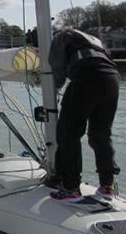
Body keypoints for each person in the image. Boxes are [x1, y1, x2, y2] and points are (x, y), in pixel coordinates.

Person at [48, 28, 120, 202]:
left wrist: (55, 86)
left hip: (87, 75)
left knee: (68, 132)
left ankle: (70, 187)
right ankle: (107, 185)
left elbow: (56, 66)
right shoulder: (93, 39)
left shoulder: (61, 37)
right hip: (112, 78)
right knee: (100, 133)